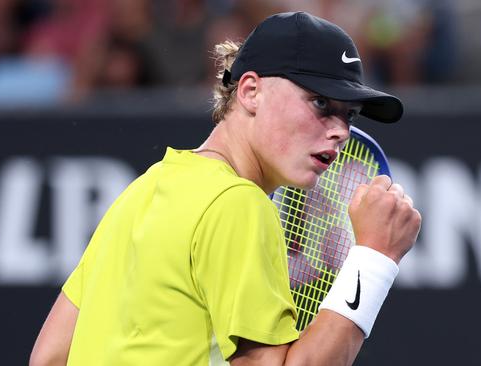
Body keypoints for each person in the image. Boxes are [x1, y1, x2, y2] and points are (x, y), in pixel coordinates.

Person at [30, 11, 421, 366]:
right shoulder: (238, 205)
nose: (340, 131)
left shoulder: (145, 188)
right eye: (320, 103)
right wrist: (374, 258)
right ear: (250, 92)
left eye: (348, 114)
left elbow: (48, 357)